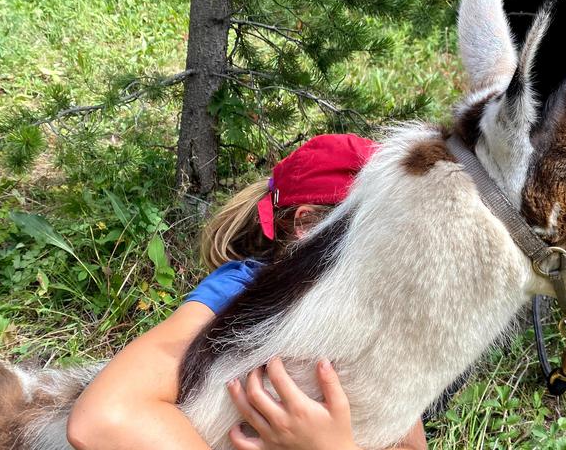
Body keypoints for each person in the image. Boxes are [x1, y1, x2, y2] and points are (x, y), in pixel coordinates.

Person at [67, 134, 427, 450]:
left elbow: (409, 443)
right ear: (305, 224)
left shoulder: (379, 311)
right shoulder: (240, 291)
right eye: (377, 230)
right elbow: (103, 418)